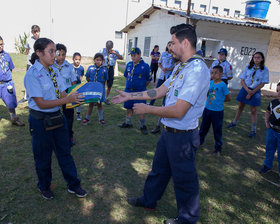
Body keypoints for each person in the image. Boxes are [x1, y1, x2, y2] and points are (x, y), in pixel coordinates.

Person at [112, 24, 210, 224]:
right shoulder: (182, 66)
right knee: (158, 170)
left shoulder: (197, 70)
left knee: (184, 180)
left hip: (183, 136)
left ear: (184, 42)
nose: (170, 47)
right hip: (168, 132)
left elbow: (179, 111)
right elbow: (158, 91)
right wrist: (129, 95)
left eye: (173, 43)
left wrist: (147, 109)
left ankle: (187, 219)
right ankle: (149, 200)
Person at [24, 37, 87, 199]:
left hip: (58, 117)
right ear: (38, 53)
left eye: (56, 52)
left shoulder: (54, 71)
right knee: (43, 156)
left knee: (65, 152)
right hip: (40, 121)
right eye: (51, 51)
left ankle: (74, 185)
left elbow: (63, 93)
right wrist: (66, 100)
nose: (55, 55)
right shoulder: (32, 74)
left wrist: (75, 98)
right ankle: (44, 186)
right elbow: (41, 103)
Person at [227, 52, 269, 138]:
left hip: (255, 90)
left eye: (258, 57)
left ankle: (253, 130)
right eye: (255, 57)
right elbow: (242, 80)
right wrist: (247, 90)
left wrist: (252, 92)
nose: (256, 59)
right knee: (240, 107)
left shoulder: (264, 69)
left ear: (262, 59)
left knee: (253, 110)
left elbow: (262, 83)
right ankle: (234, 122)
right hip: (245, 89)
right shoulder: (248, 67)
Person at [118, 47, 152, 135]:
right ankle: (128, 123)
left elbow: (148, 80)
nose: (132, 57)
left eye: (134, 55)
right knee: (128, 108)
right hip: (128, 91)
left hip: (139, 92)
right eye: (131, 56)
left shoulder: (145, 66)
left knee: (140, 109)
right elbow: (126, 76)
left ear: (139, 55)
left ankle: (143, 126)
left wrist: (141, 87)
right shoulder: (129, 65)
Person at [199, 65, 231, 156]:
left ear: (221, 74)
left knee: (217, 130)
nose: (213, 74)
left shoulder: (223, 85)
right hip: (207, 109)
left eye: (216, 73)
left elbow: (228, 98)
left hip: (217, 112)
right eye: (212, 72)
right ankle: (199, 142)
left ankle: (218, 149)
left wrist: (220, 100)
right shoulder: (210, 83)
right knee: (203, 128)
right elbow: (207, 94)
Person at [150, 42, 175, 134]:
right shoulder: (163, 54)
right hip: (162, 76)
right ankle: (151, 103)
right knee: (157, 90)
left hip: (169, 77)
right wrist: (162, 68)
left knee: (166, 99)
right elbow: (159, 63)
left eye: (172, 45)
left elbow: (175, 66)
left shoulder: (175, 56)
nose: (170, 47)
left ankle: (159, 126)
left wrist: (169, 69)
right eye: (169, 45)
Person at [54, 43, 77, 146]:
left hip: (67, 93)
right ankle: (58, 137)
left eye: (63, 54)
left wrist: (73, 95)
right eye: (59, 54)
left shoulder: (69, 67)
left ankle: (69, 136)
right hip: (55, 94)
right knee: (56, 116)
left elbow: (73, 83)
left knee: (68, 117)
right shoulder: (51, 66)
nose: (61, 57)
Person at [0, 36, 24, 126]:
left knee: (11, 102)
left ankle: (14, 118)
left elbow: (11, 69)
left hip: (7, 84)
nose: (0, 46)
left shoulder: (7, 56)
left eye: (1, 44)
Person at [259, 82, 280, 177]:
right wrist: (267, 123)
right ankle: (267, 166)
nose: (278, 93)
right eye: (277, 90)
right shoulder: (273, 103)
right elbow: (267, 112)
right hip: (271, 131)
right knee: (269, 149)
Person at [82, 53, 108, 125]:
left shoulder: (104, 69)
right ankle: (87, 118)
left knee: (99, 104)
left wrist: (100, 87)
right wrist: (92, 85)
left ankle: (101, 119)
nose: (98, 61)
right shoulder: (91, 68)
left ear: (102, 61)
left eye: (100, 60)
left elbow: (105, 80)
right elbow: (87, 77)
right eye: (97, 60)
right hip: (92, 88)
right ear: (94, 60)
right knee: (91, 103)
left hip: (99, 89)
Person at [18, 25, 41, 104]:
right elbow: (27, 50)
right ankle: (25, 97)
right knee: (28, 78)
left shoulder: (41, 41)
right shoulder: (28, 40)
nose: (36, 33)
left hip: (39, 63)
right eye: (35, 32)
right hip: (30, 62)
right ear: (32, 32)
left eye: (38, 31)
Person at [101, 40, 123, 105]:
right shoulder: (102, 51)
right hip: (104, 68)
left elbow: (121, 58)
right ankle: (100, 98)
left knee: (109, 85)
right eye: (107, 48)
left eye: (110, 48)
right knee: (102, 84)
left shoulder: (115, 52)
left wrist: (115, 53)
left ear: (112, 47)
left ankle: (106, 98)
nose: (108, 49)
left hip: (111, 69)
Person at [72, 52, 84, 121]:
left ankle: (78, 113)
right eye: (76, 59)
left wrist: (79, 83)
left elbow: (81, 76)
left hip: (78, 86)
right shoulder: (70, 67)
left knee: (79, 100)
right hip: (71, 86)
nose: (77, 61)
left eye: (79, 59)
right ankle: (70, 113)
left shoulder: (81, 68)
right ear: (73, 59)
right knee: (70, 100)